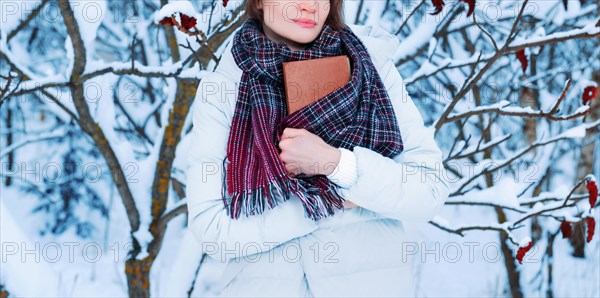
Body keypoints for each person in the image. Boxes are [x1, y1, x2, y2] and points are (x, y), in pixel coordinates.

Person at [185, 0, 450, 296]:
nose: (310, 6)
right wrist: (329, 198)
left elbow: (428, 190)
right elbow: (213, 230)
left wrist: (335, 164)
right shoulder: (224, 90)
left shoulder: (370, 67)